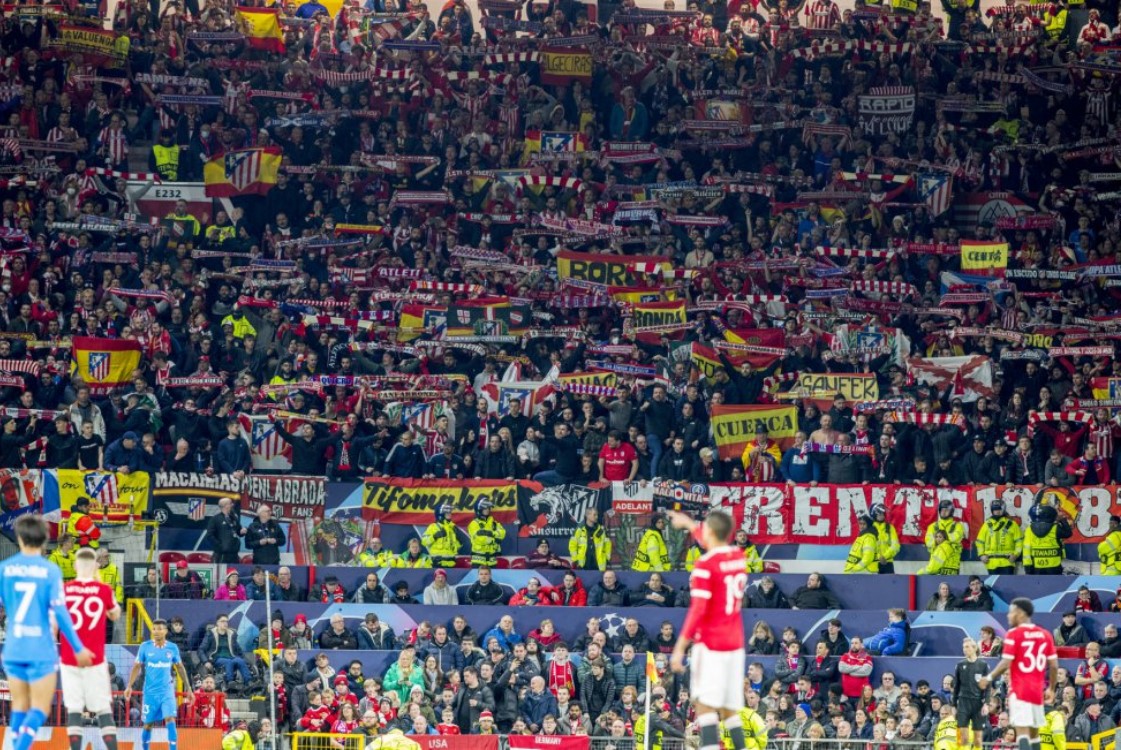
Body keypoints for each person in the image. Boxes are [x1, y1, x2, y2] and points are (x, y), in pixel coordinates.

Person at [1, 515, 94, 750]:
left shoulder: (4, 568)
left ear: (19, 538)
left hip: (13, 647)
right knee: (40, 709)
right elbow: (61, 613)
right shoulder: (50, 570)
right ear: (45, 540)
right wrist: (78, 647)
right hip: (40, 648)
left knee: (19, 706)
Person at [664, 509, 752, 750]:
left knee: (703, 704)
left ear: (710, 532)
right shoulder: (738, 557)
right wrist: (692, 525)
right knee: (728, 708)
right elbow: (713, 542)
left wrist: (679, 648)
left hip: (711, 644)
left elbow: (697, 610)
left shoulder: (704, 564)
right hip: (735, 644)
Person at [62, 547, 122, 750]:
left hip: (70, 658)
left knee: (74, 709)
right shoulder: (104, 590)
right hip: (95, 659)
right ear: (95, 565)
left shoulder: (64, 589)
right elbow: (115, 614)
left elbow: (53, 623)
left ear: (75, 565)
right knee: (104, 708)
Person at [978, 598, 1059, 750]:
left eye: (1011, 612)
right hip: (1036, 691)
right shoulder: (1045, 634)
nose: (1008, 616)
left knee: (1022, 732)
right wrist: (1052, 689)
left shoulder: (1014, 633)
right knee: (1034, 734)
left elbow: (1006, 662)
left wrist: (988, 677)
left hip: (1020, 690)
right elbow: (1054, 666)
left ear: (1021, 614)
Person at [126, 619, 194, 750]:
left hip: (167, 691)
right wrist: (129, 686)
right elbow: (136, 666)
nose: (156, 632)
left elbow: (180, 668)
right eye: (154, 629)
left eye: (159, 629)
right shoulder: (145, 647)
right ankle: (145, 748)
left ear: (166, 631)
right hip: (150, 693)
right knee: (148, 725)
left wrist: (189, 688)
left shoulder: (172, 648)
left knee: (170, 719)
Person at [954, 638, 990, 750]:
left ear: (974, 648)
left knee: (978, 738)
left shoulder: (983, 665)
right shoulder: (960, 665)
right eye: (964, 647)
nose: (965, 650)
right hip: (963, 703)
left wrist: (986, 704)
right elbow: (956, 686)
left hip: (978, 703)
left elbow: (987, 687)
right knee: (963, 737)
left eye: (967, 647)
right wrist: (954, 705)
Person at [976, 500, 1023, 573]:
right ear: (992, 510)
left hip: (1007, 562)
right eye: (995, 510)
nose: (997, 511)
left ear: (1003, 509)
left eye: (999, 509)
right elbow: (980, 542)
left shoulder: (1012, 524)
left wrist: (1016, 554)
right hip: (991, 563)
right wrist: (981, 555)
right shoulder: (986, 525)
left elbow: (1019, 541)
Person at [924, 499, 966, 573]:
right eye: (942, 510)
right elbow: (929, 542)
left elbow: (956, 538)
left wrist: (938, 539)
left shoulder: (958, 526)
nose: (943, 512)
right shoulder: (932, 526)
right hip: (936, 565)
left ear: (951, 512)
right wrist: (947, 540)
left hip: (952, 566)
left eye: (946, 510)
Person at [467, 498, 506, 567]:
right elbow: (481, 539)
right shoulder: (474, 524)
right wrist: (494, 538)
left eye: (488, 508)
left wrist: (490, 534)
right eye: (485, 508)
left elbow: (502, 533)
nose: (487, 510)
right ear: (479, 510)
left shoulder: (494, 523)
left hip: (492, 560)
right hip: (478, 560)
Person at [206, 497, 245, 565]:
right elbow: (209, 535)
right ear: (225, 506)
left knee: (234, 572)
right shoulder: (215, 519)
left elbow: (239, 532)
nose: (232, 505)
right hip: (222, 554)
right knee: (221, 574)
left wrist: (242, 531)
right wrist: (220, 546)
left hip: (234, 553)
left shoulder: (234, 518)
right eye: (230, 503)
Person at [421, 503, 461, 568]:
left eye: (450, 512)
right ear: (440, 514)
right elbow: (424, 542)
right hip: (438, 563)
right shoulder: (433, 527)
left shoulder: (452, 528)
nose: (450, 514)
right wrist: (434, 536)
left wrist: (460, 542)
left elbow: (455, 546)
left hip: (451, 563)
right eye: (447, 513)